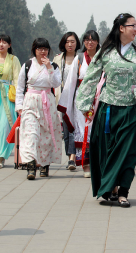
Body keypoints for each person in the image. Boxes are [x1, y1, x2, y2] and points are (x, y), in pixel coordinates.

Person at [76, 13, 136, 207]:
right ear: (121, 28)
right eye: (133, 26)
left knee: (128, 151)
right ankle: (109, 188)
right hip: (108, 109)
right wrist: (85, 105)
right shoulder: (106, 52)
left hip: (130, 109)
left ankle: (123, 192)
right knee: (107, 149)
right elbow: (91, 78)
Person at [15, 38, 62, 180]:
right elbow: (20, 87)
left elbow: (56, 83)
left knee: (46, 135)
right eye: (39, 49)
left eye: (45, 49)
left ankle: (44, 165)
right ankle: (30, 165)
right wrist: (19, 105)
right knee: (31, 134)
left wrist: (49, 69)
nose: (42, 51)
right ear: (34, 50)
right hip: (31, 101)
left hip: (47, 101)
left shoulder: (53, 66)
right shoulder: (28, 65)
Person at [57, 30, 99, 178]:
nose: (90, 42)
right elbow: (70, 82)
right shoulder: (79, 58)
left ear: (98, 42)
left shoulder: (103, 58)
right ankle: (85, 164)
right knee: (82, 130)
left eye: (93, 40)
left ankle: (97, 163)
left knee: (96, 130)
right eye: (87, 40)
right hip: (81, 99)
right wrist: (67, 101)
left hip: (98, 98)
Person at [0, 35, 21, 168]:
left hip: (7, 94)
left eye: (4, 42)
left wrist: (19, 99)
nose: (1, 44)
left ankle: (0, 157)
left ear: (9, 45)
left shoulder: (13, 59)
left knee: (4, 125)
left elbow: (18, 79)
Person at [53, 32, 81, 171]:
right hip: (62, 97)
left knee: (73, 128)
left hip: (76, 97)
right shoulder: (57, 60)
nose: (70, 44)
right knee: (65, 129)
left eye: (73, 41)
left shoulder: (80, 58)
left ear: (77, 43)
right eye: (67, 41)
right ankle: (69, 154)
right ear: (63, 43)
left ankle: (72, 158)